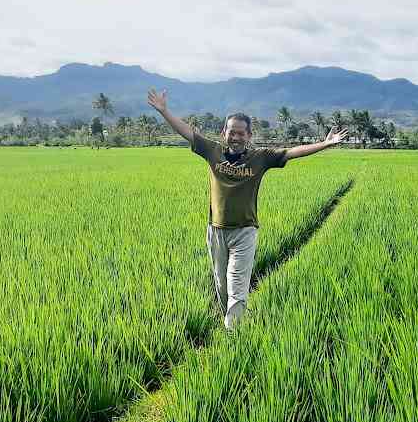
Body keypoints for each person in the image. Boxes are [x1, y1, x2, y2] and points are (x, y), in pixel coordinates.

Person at [146, 88, 349, 330]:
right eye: (232, 132)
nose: (236, 137)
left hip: (245, 232)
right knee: (221, 284)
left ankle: (234, 334)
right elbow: (187, 132)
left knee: (236, 283)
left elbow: (291, 152)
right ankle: (230, 323)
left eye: (241, 133)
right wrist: (164, 111)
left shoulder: (260, 157)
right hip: (217, 231)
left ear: (249, 135)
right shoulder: (212, 151)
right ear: (224, 133)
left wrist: (325, 144)